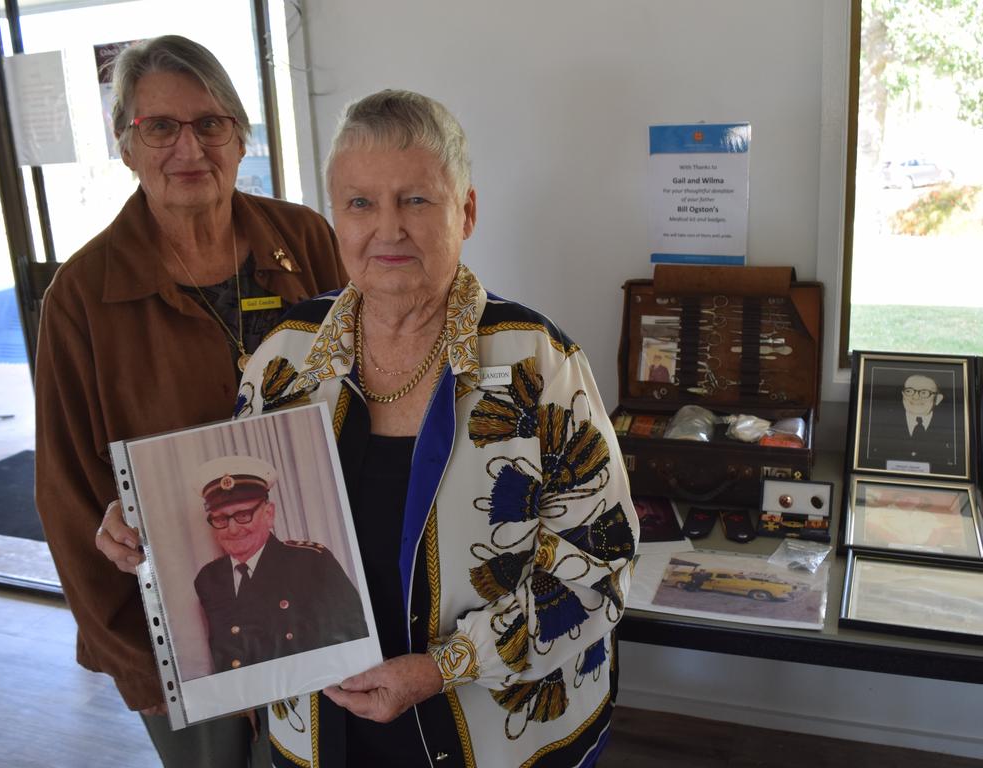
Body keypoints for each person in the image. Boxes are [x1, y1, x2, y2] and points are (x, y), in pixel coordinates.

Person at [235, 90, 639, 766]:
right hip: (321, 723)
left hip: (494, 729)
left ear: (467, 211)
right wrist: (150, 528)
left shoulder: (538, 362)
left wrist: (442, 665)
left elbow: (599, 566)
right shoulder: (285, 355)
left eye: (416, 200)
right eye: (360, 203)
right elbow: (236, 514)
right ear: (336, 217)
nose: (387, 229)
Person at [35, 34, 346, 768]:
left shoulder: (307, 240)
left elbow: (363, 390)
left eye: (210, 123)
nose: (189, 147)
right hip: (179, 620)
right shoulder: (81, 297)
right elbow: (67, 492)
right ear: (127, 146)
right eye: (159, 127)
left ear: (240, 138)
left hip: (324, 591)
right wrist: (130, 658)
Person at [191, 455, 368, 673]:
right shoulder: (209, 579)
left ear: (269, 513)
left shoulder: (311, 562)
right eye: (220, 519)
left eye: (244, 515)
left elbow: (356, 636)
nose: (233, 529)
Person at [866, 373, 958, 472]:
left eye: (924, 393)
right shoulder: (880, 425)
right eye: (909, 391)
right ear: (903, 394)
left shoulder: (953, 430)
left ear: (937, 399)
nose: (915, 397)